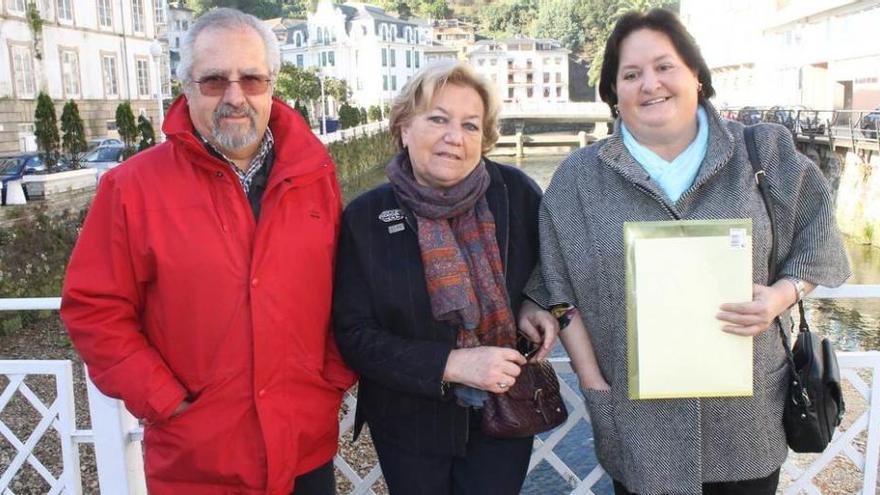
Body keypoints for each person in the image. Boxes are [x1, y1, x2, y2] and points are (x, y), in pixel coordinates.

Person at [524, 8, 851, 495]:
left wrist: (781, 296)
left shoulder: (763, 152)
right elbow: (557, 289)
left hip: (747, 415)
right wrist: (593, 385)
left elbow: (818, 238)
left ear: (696, 74)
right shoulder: (578, 179)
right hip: (635, 419)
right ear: (613, 93)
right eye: (630, 74)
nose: (649, 84)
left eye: (664, 66)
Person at [60, 8, 355, 494]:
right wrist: (165, 399)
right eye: (215, 80)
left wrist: (330, 379)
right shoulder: (132, 188)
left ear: (272, 84)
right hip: (197, 460)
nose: (235, 96)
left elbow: (345, 287)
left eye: (252, 79)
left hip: (303, 445)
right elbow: (94, 310)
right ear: (187, 88)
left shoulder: (313, 174)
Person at [332, 60, 558, 494]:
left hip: (505, 413)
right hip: (407, 420)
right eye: (438, 119)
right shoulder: (366, 217)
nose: (455, 137)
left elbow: (559, 275)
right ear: (403, 128)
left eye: (471, 126)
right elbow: (353, 334)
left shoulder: (517, 193)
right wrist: (452, 365)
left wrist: (541, 305)